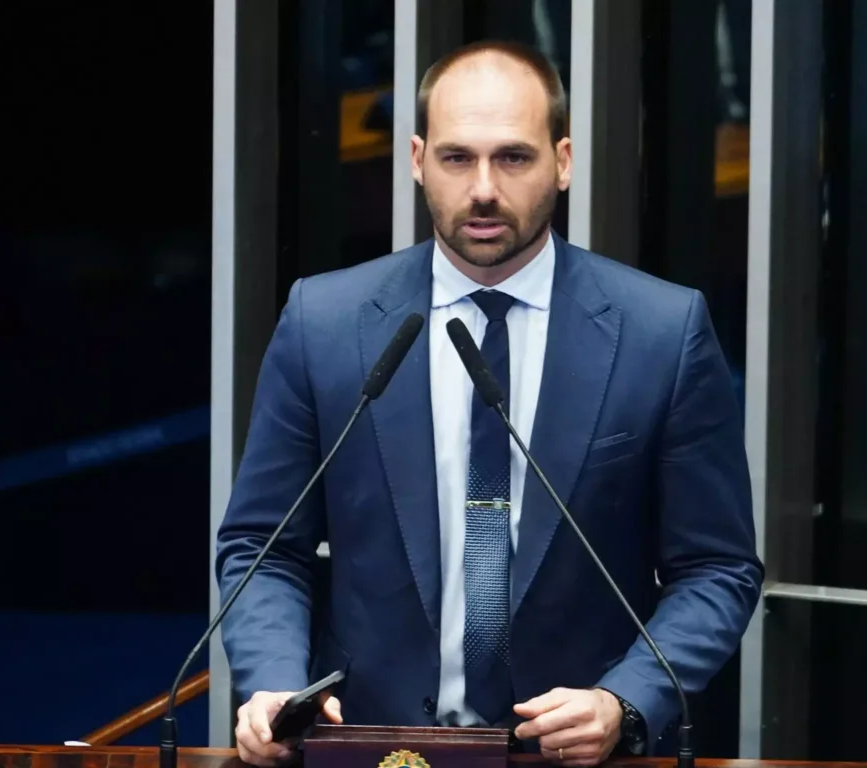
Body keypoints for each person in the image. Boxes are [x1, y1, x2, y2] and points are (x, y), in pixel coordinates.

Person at [216, 39, 763, 768]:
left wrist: (625, 700)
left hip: (569, 757)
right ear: (416, 161)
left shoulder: (660, 333)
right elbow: (262, 547)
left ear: (562, 162)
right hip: (368, 748)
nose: (482, 189)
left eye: (512, 157)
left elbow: (717, 568)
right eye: (455, 158)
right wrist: (276, 685)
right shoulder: (327, 323)